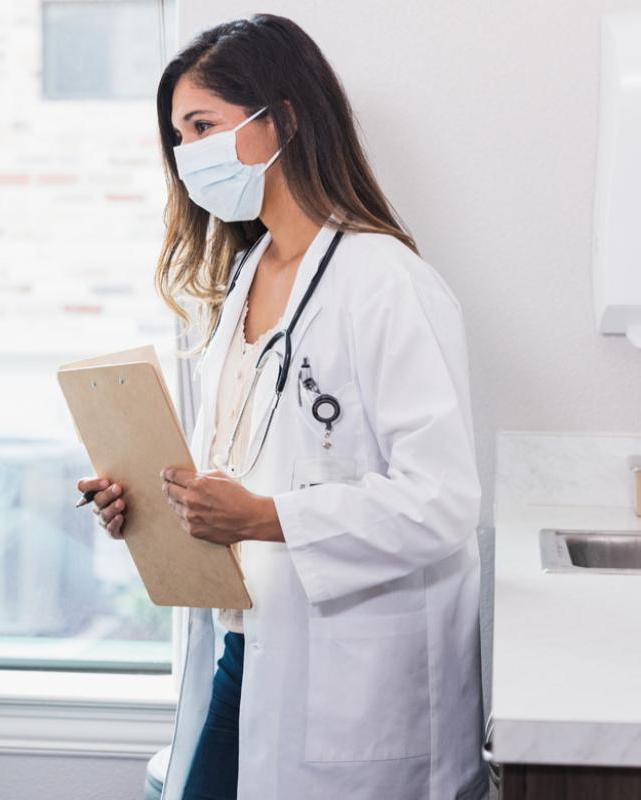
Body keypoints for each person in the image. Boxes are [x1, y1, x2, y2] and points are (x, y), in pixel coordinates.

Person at [78, 15, 485, 800]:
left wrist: (263, 516)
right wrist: (151, 507)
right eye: (178, 135)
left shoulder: (386, 282)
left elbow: (443, 503)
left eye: (204, 126)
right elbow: (234, 475)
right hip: (247, 647)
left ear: (285, 119)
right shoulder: (246, 277)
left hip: (348, 683)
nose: (187, 154)